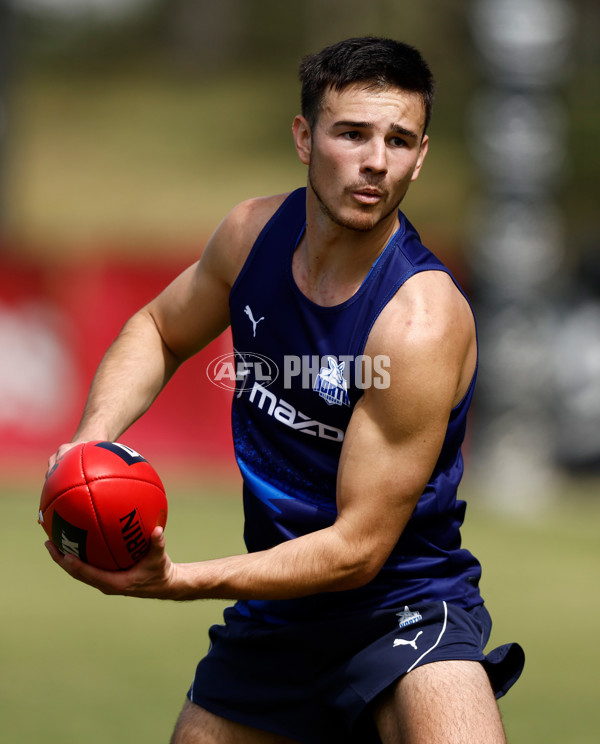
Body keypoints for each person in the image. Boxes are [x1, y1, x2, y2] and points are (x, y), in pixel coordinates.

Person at [45, 37, 524, 744]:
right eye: (352, 133)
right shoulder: (250, 237)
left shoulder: (420, 322)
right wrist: (92, 439)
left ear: (420, 155)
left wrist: (177, 579)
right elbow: (157, 329)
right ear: (305, 137)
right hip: (281, 611)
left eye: (399, 140)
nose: (375, 162)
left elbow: (358, 549)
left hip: (404, 606)